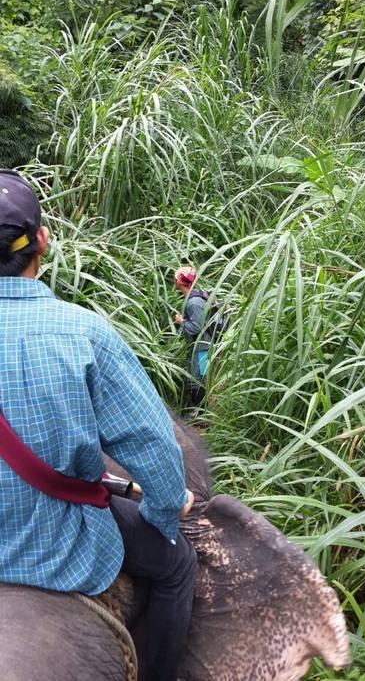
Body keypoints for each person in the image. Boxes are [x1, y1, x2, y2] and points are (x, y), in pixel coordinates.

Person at [0, 169, 196, 681]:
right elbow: (152, 444)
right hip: (64, 544)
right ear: (41, 240)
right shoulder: (82, 331)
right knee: (178, 566)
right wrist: (165, 510)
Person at [174, 266, 212, 406]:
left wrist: (181, 322)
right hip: (204, 345)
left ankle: (200, 414)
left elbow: (196, 326)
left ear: (180, 281)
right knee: (200, 377)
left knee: (198, 379)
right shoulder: (196, 296)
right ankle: (199, 413)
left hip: (203, 347)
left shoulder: (193, 302)